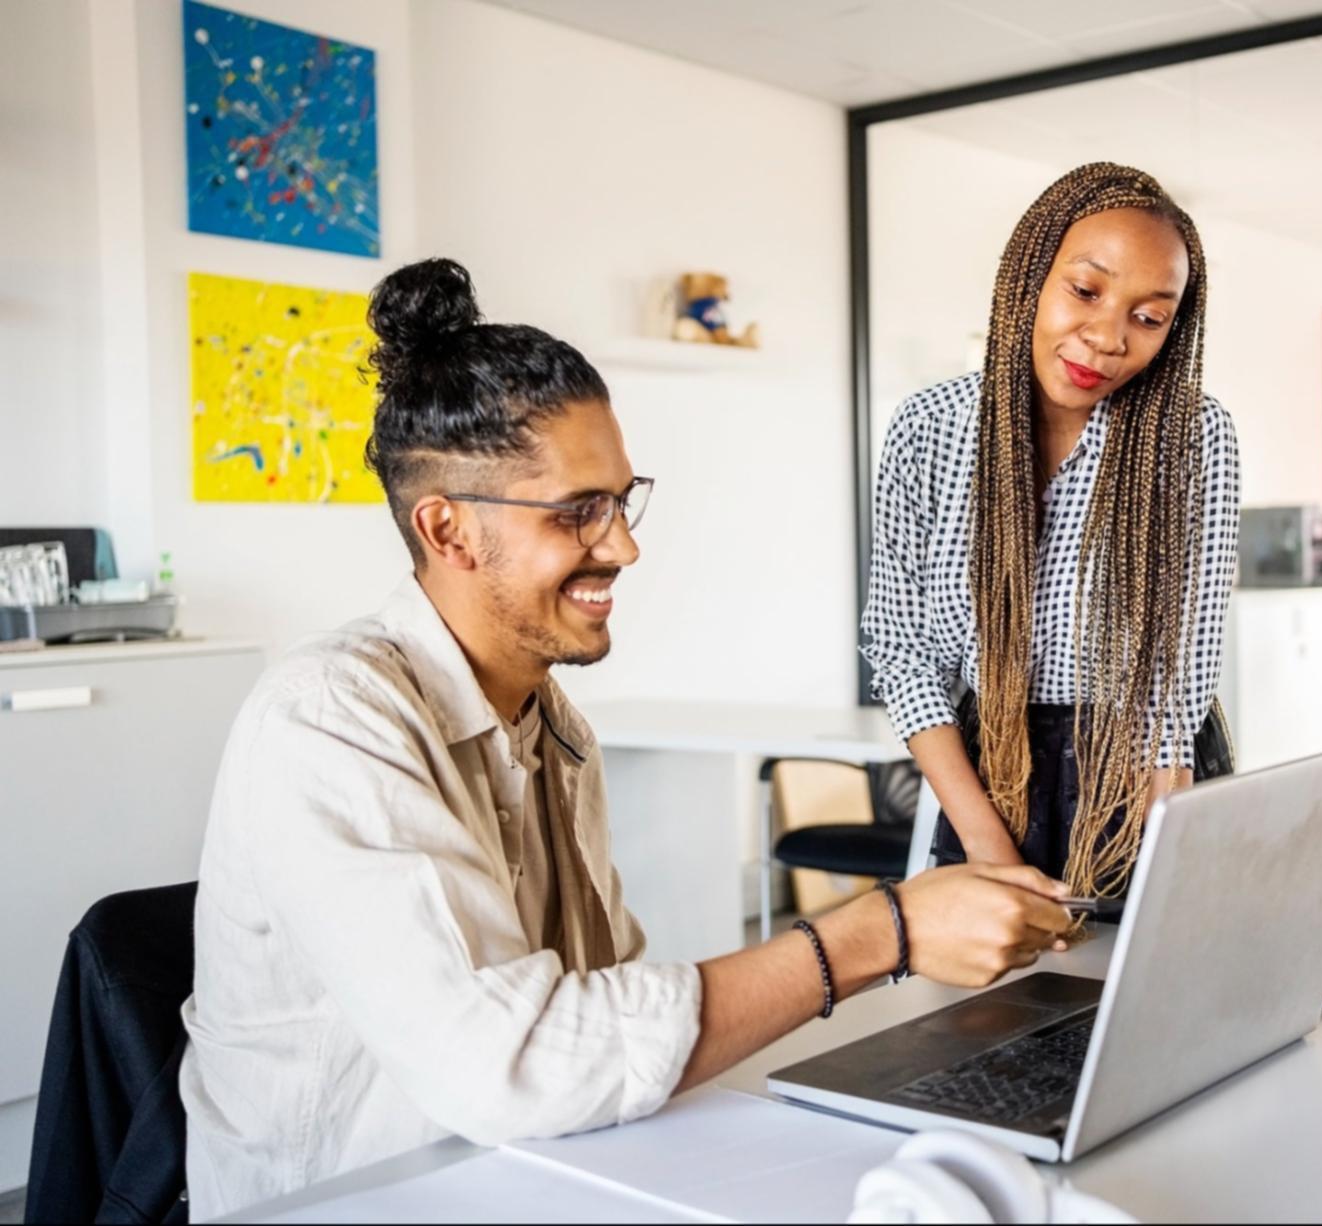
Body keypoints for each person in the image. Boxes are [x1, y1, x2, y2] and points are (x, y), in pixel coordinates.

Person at [179, 258, 1074, 1218]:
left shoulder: (551, 724)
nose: (624, 546)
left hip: (524, 1171)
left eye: (621, 499)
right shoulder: (328, 719)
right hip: (361, 1197)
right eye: (578, 513)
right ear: (446, 530)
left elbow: (607, 1012)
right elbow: (512, 1067)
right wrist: (879, 933)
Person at [861, 162, 1240, 901]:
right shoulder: (928, 430)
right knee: (983, 1012)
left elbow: (1177, 678)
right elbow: (902, 654)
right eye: (1086, 291)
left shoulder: (1194, 438)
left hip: (1146, 770)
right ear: (1031, 275)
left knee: (1152, 1006)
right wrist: (987, 845)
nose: (1106, 337)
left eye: (1148, 316)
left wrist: (1154, 855)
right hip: (989, 775)